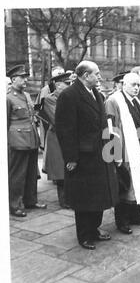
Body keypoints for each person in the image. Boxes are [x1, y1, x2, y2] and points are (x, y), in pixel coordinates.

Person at [55, 60, 119, 250]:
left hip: (99, 152)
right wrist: (71, 158)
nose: (100, 77)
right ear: (85, 76)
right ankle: (84, 235)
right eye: (97, 74)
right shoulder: (69, 95)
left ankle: (95, 228)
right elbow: (65, 130)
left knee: (98, 195)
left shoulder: (97, 94)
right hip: (82, 157)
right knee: (84, 198)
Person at [105, 72, 140, 235]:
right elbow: (111, 130)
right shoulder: (113, 101)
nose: (136, 88)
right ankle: (122, 222)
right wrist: (116, 155)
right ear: (123, 84)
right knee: (125, 187)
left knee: (139, 184)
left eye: (138, 85)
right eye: (132, 84)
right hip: (125, 150)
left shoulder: (137, 102)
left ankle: (136, 216)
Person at [7, 64, 47, 217]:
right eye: (22, 77)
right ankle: (15, 204)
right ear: (13, 79)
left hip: (31, 138)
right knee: (17, 174)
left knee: (31, 172)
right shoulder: (8, 98)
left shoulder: (27, 95)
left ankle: (31, 200)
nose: (25, 80)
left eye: (25, 77)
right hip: (17, 140)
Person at [43, 72, 72, 208]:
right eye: (66, 84)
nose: (69, 86)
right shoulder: (50, 99)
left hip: (67, 136)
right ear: (57, 85)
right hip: (56, 137)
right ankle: (64, 200)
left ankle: (69, 197)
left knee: (68, 168)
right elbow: (57, 120)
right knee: (60, 170)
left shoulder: (69, 97)